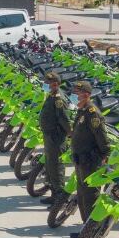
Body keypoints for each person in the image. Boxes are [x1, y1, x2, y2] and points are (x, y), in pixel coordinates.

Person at [70, 81, 110, 233]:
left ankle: (93, 233)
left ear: (86, 95)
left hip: (90, 161)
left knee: (90, 197)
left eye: (77, 92)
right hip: (80, 160)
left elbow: (102, 137)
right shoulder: (82, 110)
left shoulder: (92, 113)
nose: (74, 95)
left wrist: (105, 154)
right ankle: (85, 230)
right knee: (82, 196)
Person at [38, 73, 72, 211]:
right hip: (49, 136)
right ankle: (53, 194)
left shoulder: (59, 99)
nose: (45, 84)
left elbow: (64, 119)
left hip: (56, 138)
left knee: (56, 167)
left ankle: (60, 200)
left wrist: (70, 134)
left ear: (56, 84)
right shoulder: (52, 94)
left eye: (48, 82)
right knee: (50, 165)